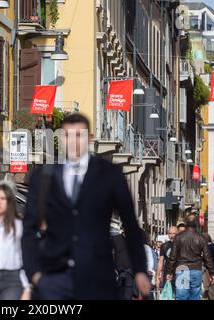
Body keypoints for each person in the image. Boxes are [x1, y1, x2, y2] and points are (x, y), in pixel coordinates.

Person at [22, 113, 150, 300]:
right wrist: (34, 273)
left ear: (89, 138)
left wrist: (139, 269)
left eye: (79, 135)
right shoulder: (43, 176)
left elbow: (130, 225)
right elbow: (28, 229)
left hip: (97, 276)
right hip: (53, 278)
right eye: (68, 135)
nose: (73, 141)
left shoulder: (109, 174)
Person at [166, 215, 214, 300]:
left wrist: (169, 272)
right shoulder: (201, 238)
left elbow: (173, 257)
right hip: (196, 269)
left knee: (181, 296)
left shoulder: (178, 237)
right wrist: (212, 273)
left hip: (182, 268)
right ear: (196, 223)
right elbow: (207, 257)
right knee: (195, 296)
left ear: (185, 223)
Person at [110, 227, 135, 300]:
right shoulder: (115, 239)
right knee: (119, 293)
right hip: (118, 270)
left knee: (128, 294)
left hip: (130, 271)